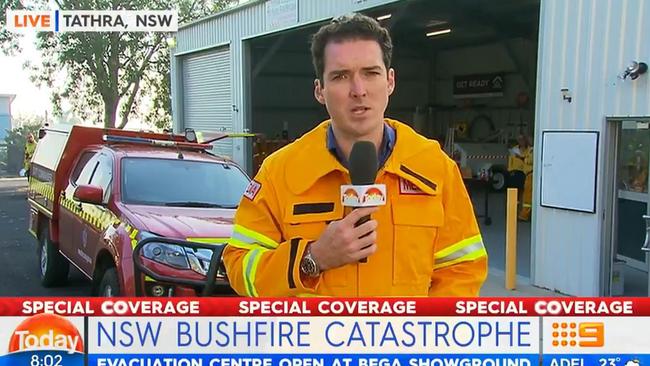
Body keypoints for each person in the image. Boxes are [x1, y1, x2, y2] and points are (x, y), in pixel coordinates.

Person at [222, 13, 487, 297]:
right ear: (319, 91)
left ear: (390, 81)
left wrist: (422, 335)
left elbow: (463, 269)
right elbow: (239, 268)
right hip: (313, 342)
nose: (358, 91)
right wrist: (312, 259)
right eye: (340, 76)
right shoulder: (280, 171)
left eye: (370, 73)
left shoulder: (436, 168)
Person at [508, 135, 533, 221]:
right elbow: (511, 161)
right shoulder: (514, 149)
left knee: (526, 195)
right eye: (519, 140)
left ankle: (524, 215)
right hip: (515, 173)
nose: (521, 141)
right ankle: (514, 213)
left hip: (526, 174)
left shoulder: (530, 150)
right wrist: (510, 171)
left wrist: (521, 158)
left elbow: (529, 160)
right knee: (516, 194)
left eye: (522, 139)